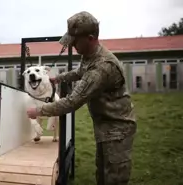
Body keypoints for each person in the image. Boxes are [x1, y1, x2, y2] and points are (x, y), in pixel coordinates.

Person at [26, 11, 137, 185]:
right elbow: (79, 72)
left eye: (75, 41)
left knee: (113, 178)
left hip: (117, 128)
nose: (72, 46)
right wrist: (59, 78)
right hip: (104, 124)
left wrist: (38, 111)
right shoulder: (90, 55)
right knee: (102, 172)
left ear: (91, 38)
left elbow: (72, 102)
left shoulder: (101, 68)